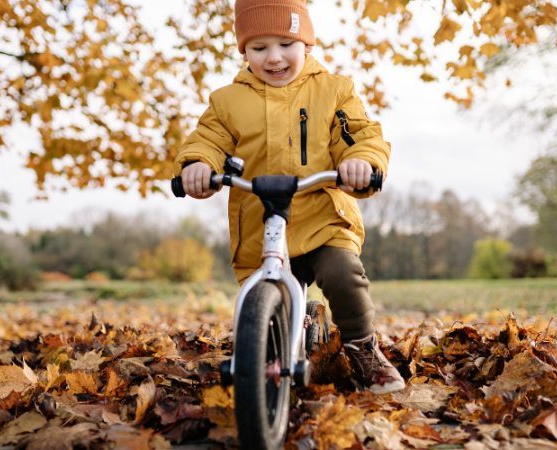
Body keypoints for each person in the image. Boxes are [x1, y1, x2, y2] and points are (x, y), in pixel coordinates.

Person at [173, 0, 405, 395]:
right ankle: (274, 354)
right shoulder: (227, 102)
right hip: (263, 223)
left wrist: (360, 161)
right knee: (269, 303)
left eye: (286, 43)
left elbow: (359, 136)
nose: (274, 57)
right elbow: (208, 140)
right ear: (243, 51)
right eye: (259, 47)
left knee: (341, 274)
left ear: (307, 45)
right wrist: (196, 163)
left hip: (322, 216)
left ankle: (363, 347)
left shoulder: (334, 91)